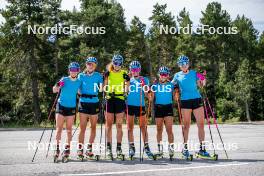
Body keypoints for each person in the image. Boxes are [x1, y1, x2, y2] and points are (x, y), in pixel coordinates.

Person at [171, 55, 209, 158]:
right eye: (181, 64)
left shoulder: (194, 73)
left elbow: (202, 84)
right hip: (185, 101)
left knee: (201, 124)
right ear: (179, 65)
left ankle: (202, 149)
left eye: (185, 63)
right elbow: (170, 86)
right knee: (186, 125)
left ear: (188, 64)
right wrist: (175, 89)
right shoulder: (177, 75)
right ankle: (185, 148)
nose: (184, 65)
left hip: (196, 99)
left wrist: (203, 78)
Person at [53, 62, 81, 160]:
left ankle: (67, 150)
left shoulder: (78, 82)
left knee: (69, 130)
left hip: (71, 107)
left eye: (75, 70)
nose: (73, 71)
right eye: (71, 69)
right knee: (59, 129)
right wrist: (57, 85)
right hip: (61, 106)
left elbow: (80, 92)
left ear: (78, 71)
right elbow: (54, 90)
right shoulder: (64, 79)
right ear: (69, 70)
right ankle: (56, 149)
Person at [126, 61, 155, 159]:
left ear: (139, 70)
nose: (135, 71)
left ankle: (147, 147)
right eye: (133, 69)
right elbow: (125, 91)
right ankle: (131, 147)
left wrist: (149, 93)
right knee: (130, 128)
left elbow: (148, 95)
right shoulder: (128, 79)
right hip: (130, 106)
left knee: (143, 127)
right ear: (131, 70)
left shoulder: (144, 79)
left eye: (137, 69)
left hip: (140, 106)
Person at [104, 54, 130, 158]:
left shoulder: (124, 73)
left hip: (120, 99)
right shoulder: (108, 73)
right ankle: (109, 148)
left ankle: (118, 148)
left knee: (119, 125)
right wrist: (105, 94)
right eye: (115, 63)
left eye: (119, 63)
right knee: (109, 125)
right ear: (113, 63)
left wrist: (125, 91)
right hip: (110, 99)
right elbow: (104, 86)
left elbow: (128, 85)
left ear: (121, 64)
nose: (117, 65)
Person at [77, 57, 103, 159]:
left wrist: (104, 79)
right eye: (88, 63)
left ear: (95, 65)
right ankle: (80, 149)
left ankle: (89, 149)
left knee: (93, 127)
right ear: (86, 64)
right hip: (83, 102)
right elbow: (78, 90)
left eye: (92, 64)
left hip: (94, 102)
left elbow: (101, 89)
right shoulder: (81, 75)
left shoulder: (98, 76)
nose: (90, 65)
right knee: (82, 127)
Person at [150, 66, 175, 158]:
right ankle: (160, 149)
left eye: (165, 74)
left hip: (168, 107)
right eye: (161, 74)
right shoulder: (155, 85)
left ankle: (171, 149)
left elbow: (176, 97)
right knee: (159, 130)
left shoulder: (171, 85)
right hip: (158, 108)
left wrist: (176, 93)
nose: (163, 76)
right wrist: (150, 92)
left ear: (168, 75)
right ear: (159, 75)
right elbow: (151, 98)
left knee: (169, 130)